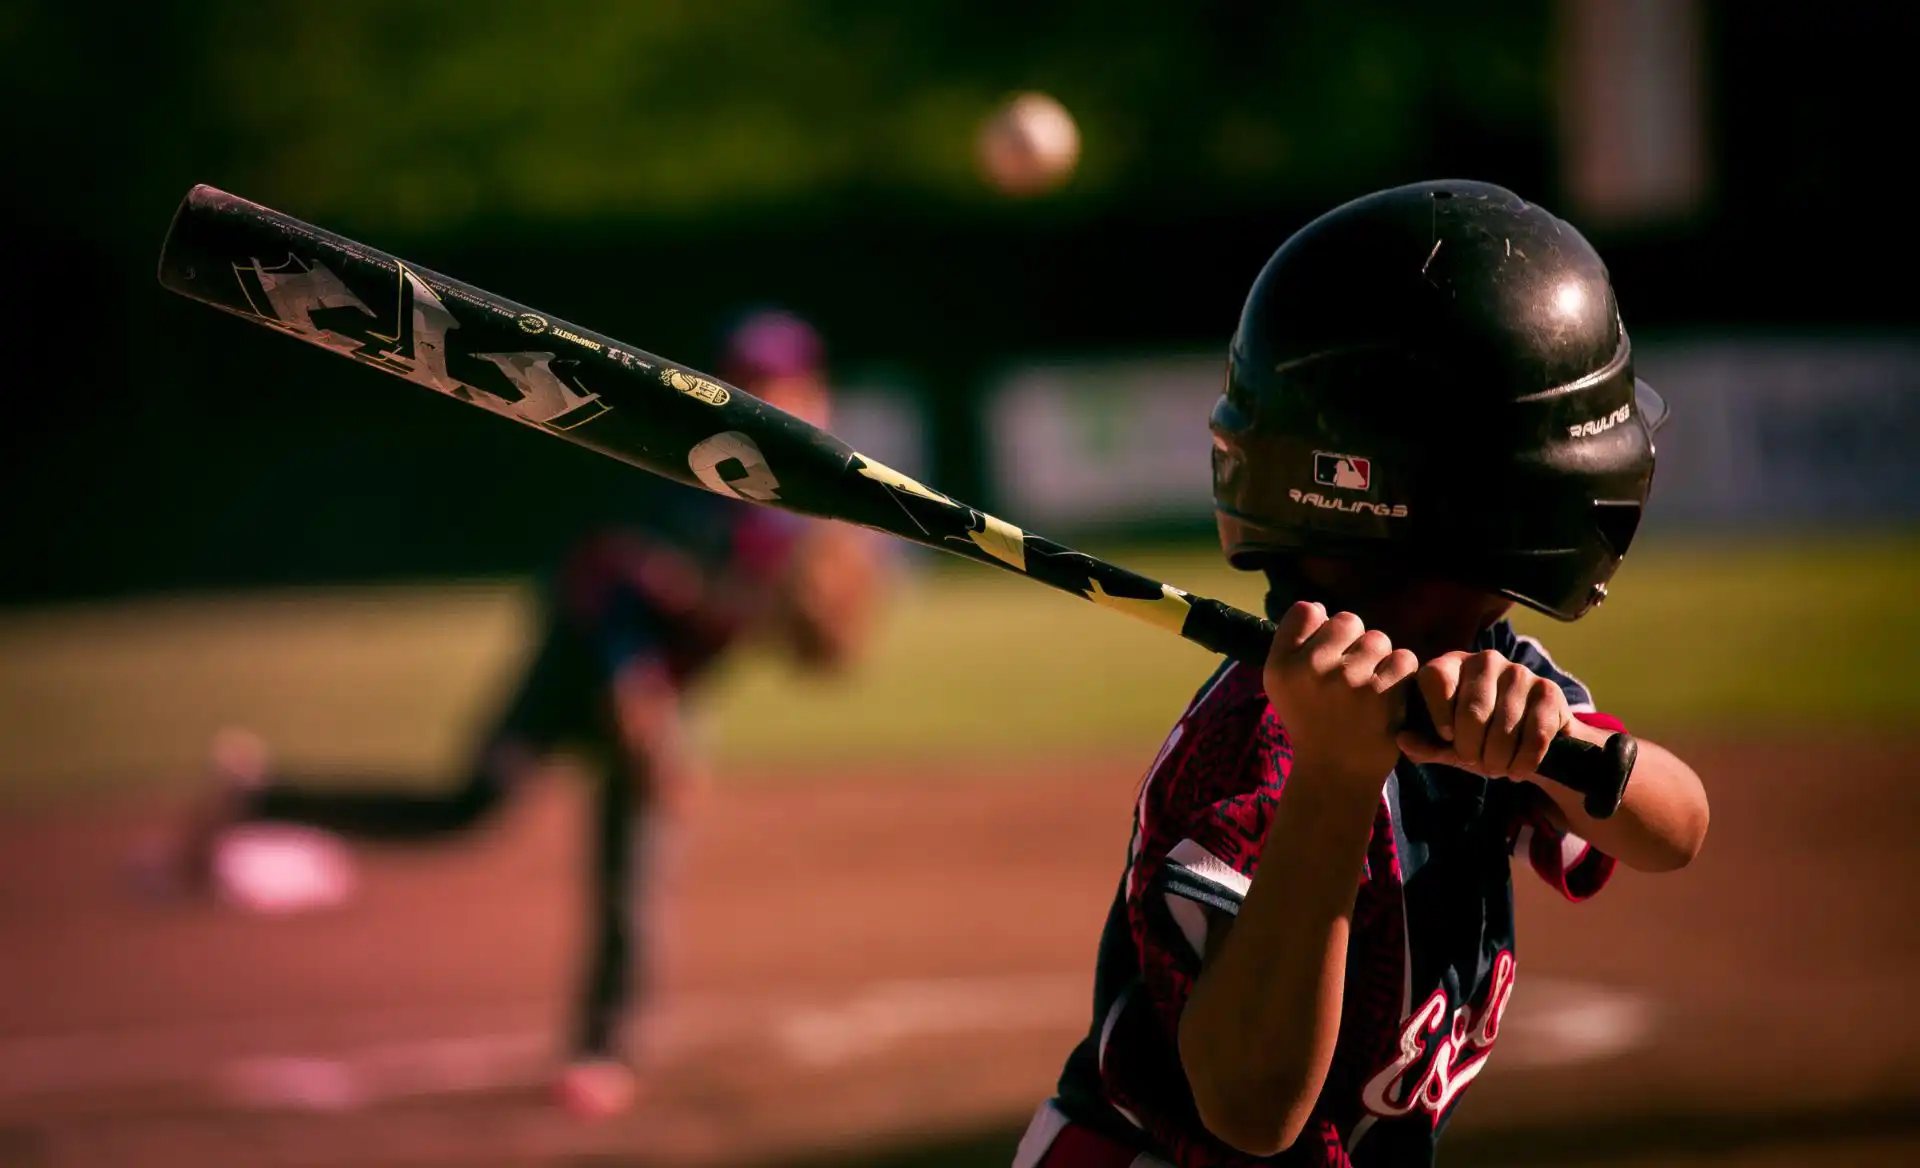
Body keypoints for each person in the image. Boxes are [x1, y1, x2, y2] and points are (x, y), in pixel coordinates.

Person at [1012, 181, 1710, 1167]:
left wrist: (1553, 748)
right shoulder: (1244, 758)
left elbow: (1676, 829)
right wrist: (1336, 777)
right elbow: (1251, 1109)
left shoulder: (1491, 672)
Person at [170, 307, 890, 1119]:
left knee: (631, 867)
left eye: (787, 382)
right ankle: (265, 798)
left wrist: (804, 626)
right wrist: (636, 695)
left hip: (663, 687)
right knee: (470, 804)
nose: (771, 395)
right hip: (578, 661)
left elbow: (803, 636)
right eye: (753, 380)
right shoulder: (685, 476)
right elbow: (613, 584)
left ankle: (602, 1049)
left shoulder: (810, 506)